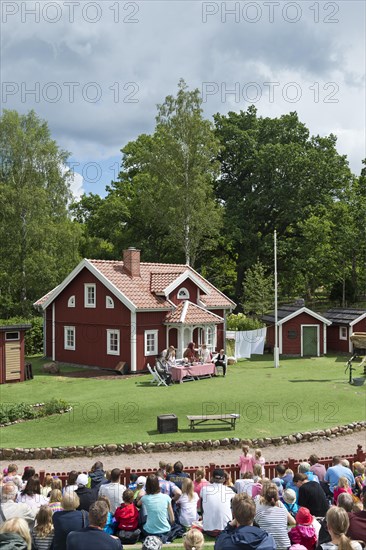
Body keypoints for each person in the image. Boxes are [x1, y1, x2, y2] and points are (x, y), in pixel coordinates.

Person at [254, 483, 295, 549]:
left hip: (266, 545)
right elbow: (293, 522)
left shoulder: (259, 508)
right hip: (284, 545)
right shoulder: (282, 510)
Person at [200, 468, 234, 537]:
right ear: (224, 479)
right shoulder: (229, 490)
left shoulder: (204, 489)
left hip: (208, 530)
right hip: (225, 529)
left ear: (212, 478)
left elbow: (202, 506)